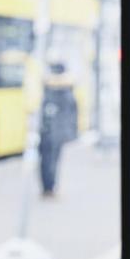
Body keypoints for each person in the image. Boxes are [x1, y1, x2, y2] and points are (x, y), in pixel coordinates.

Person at [38, 59, 78, 197]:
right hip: (58, 131)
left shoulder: (46, 87)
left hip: (45, 130)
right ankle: (50, 187)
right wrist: (71, 133)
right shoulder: (68, 90)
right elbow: (72, 113)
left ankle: (47, 187)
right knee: (54, 159)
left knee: (45, 159)